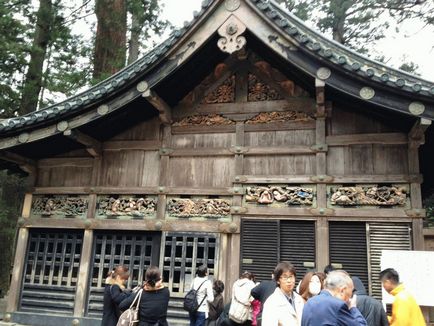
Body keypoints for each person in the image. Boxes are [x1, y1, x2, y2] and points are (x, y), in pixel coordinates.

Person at [301, 270, 367, 326]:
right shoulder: (338, 305)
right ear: (342, 290)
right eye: (351, 292)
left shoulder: (309, 302)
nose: (351, 296)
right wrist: (353, 308)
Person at [262, 262, 304, 326]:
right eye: (285, 277)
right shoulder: (271, 302)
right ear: (278, 280)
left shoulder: (299, 299)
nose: (289, 281)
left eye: (291, 277)